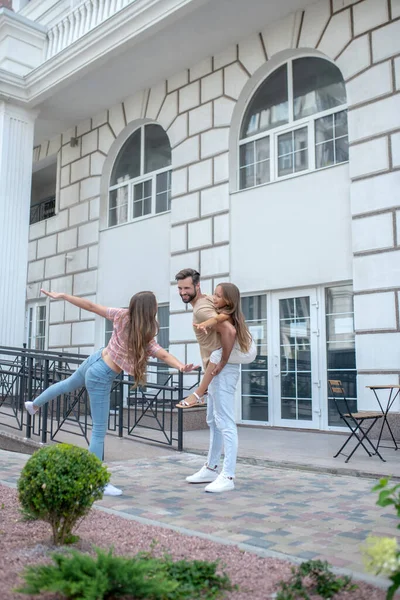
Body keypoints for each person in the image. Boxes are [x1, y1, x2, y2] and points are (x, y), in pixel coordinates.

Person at [25, 289, 194, 496]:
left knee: (66, 384)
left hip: (95, 358)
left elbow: (91, 306)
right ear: (150, 310)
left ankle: (33, 405)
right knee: (98, 430)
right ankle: (97, 481)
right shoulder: (145, 335)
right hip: (101, 375)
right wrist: (181, 366)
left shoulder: (122, 315)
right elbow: (163, 355)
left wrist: (65, 296)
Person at [175, 269, 248, 493]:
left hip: (221, 371)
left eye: (187, 288)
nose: (183, 292)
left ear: (197, 286)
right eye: (179, 288)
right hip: (216, 370)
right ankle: (211, 467)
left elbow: (228, 330)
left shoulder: (202, 309)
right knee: (214, 421)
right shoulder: (205, 301)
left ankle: (228, 475)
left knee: (225, 422)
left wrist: (223, 361)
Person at [176, 283, 256, 409]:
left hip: (248, 351)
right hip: (241, 348)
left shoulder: (228, 313)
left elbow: (219, 321)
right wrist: (204, 324)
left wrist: (223, 362)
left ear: (228, 300)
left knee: (217, 355)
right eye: (214, 294)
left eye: (218, 296)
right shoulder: (219, 308)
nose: (214, 298)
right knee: (216, 355)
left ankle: (198, 394)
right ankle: (202, 392)